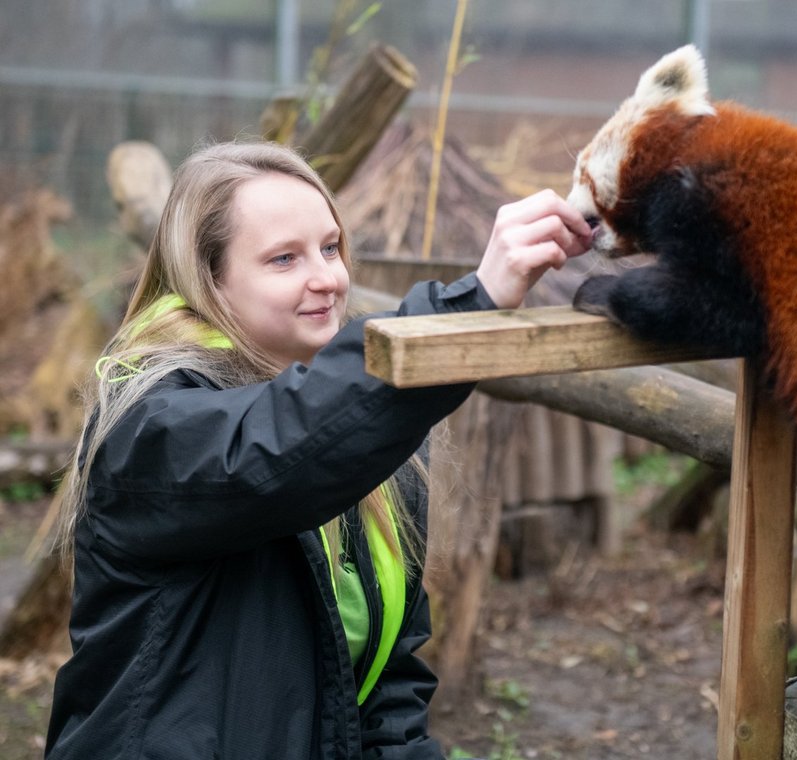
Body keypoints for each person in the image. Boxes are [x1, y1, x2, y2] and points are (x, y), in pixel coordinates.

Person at [44, 140, 591, 759]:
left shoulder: (377, 457)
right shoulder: (149, 426)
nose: (327, 277)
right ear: (210, 279)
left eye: (330, 247)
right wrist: (473, 301)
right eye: (283, 259)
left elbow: (385, 690)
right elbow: (272, 454)